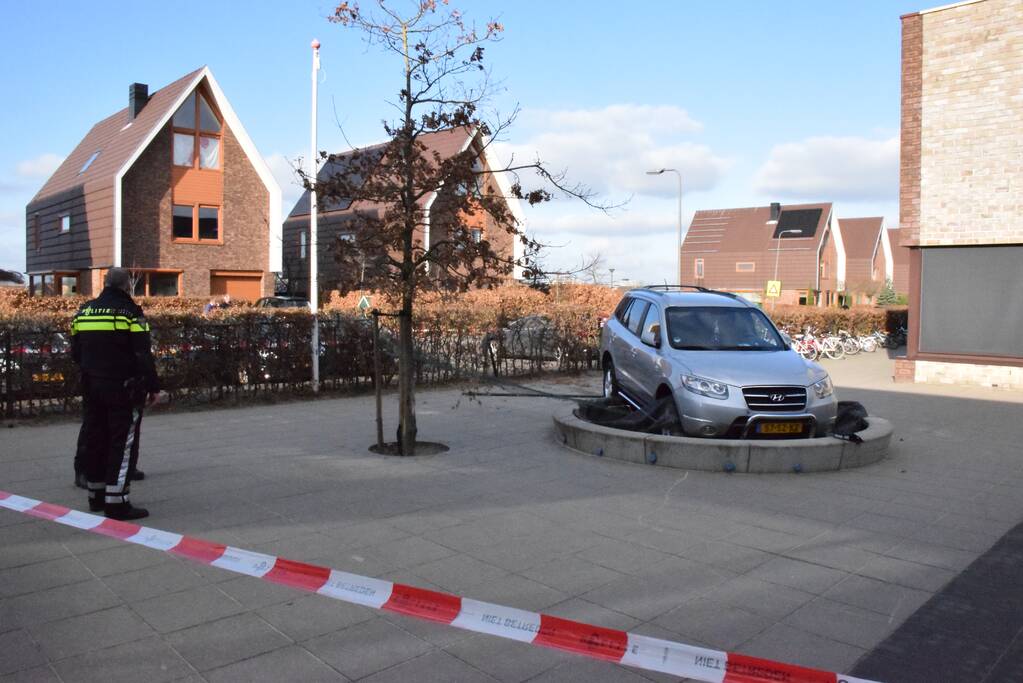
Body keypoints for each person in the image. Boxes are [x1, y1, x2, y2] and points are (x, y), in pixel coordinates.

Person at [71, 268, 161, 520]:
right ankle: (117, 502)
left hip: (91, 385)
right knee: (121, 443)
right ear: (127, 285)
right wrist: (153, 386)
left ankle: (96, 497)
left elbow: (75, 352)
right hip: (123, 387)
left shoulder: (85, 311)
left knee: (96, 437)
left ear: (105, 283)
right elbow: (142, 353)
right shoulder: (130, 312)